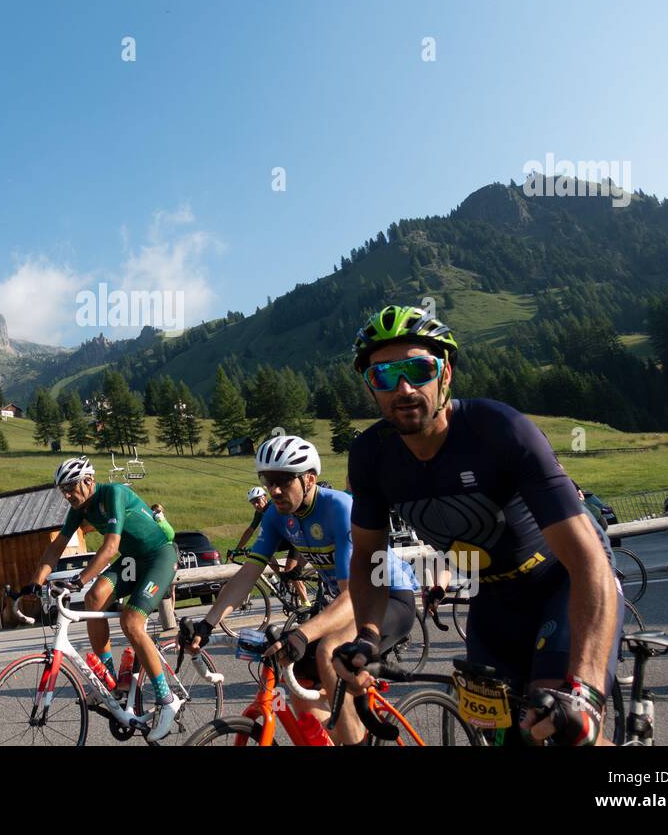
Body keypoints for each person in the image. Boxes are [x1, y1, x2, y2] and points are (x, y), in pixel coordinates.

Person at [335, 305, 621, 746]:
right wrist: (368, 638)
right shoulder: (371, 456)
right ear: (371, 388)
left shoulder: (500, 430)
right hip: (491, 597)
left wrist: (585, 690)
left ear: (445, 374)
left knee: (561, 726)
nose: (404, 388)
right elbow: (369, 562)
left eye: (418, 369)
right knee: (501, 737)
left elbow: (588, 562)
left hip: (560, 583)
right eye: (383, 376)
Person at [183, 435, 418, 744]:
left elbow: (353, 595)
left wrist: (302, 634)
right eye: (269, 481)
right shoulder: (277, 516)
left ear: (309, 478)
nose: (275, 490)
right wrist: (207, 623)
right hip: (350, 602)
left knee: (328, 650)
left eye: (284, 480)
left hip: (387, 598)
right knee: (293, 672)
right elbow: (246, 575)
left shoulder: (339, 509)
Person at [24, 457, 181, 741]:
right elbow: (56, 547)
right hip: (134, 560)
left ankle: (167, 698)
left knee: (131, 621)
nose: (68, 495)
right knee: (95, 598)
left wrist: (79, 578)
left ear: (89, 481)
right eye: (63, 490)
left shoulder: (114, 494)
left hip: (159, 555)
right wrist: (34, 584)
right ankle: (108, 680)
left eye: (71, 487)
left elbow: (110, 548)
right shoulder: (79, 510)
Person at [233, 486, 307, 604]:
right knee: (264, 552)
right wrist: (237, 549)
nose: (256, 505)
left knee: (290, 569)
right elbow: (250, 530)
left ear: (265, 497)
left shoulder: (275, 506)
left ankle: (305, 602)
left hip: (295, 538)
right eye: (253, 503)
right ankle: (282, 578)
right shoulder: (259, 513)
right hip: (283, 539)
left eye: (257, 501)